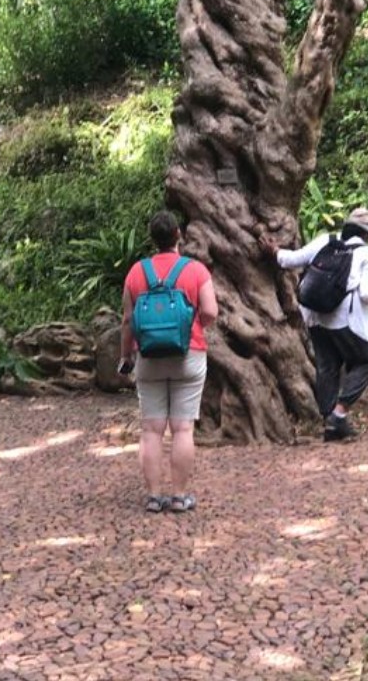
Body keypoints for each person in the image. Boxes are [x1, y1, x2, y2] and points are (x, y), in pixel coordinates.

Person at [120, 210, 218, 513]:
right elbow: (210, 311)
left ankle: (153, 496)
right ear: (178, 235)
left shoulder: (137, 272)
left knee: (151, 429)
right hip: (189, 354)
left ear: (153, 238)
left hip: (148, 357)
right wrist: (193, 325)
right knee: (183, 428)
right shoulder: (195, 270)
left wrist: (126, 355)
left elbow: (127, 320)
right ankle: (178, 496)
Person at [259, 206, 368, 442]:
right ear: (366, 234)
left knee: (327, 366)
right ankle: (339, 414)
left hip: (314, 317)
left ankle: (328, 421)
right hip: (345, 319)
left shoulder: (326, 240)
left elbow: (291, 259)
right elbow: (367, 294)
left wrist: (274, 251)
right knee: (364, 360)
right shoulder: (367, 254)